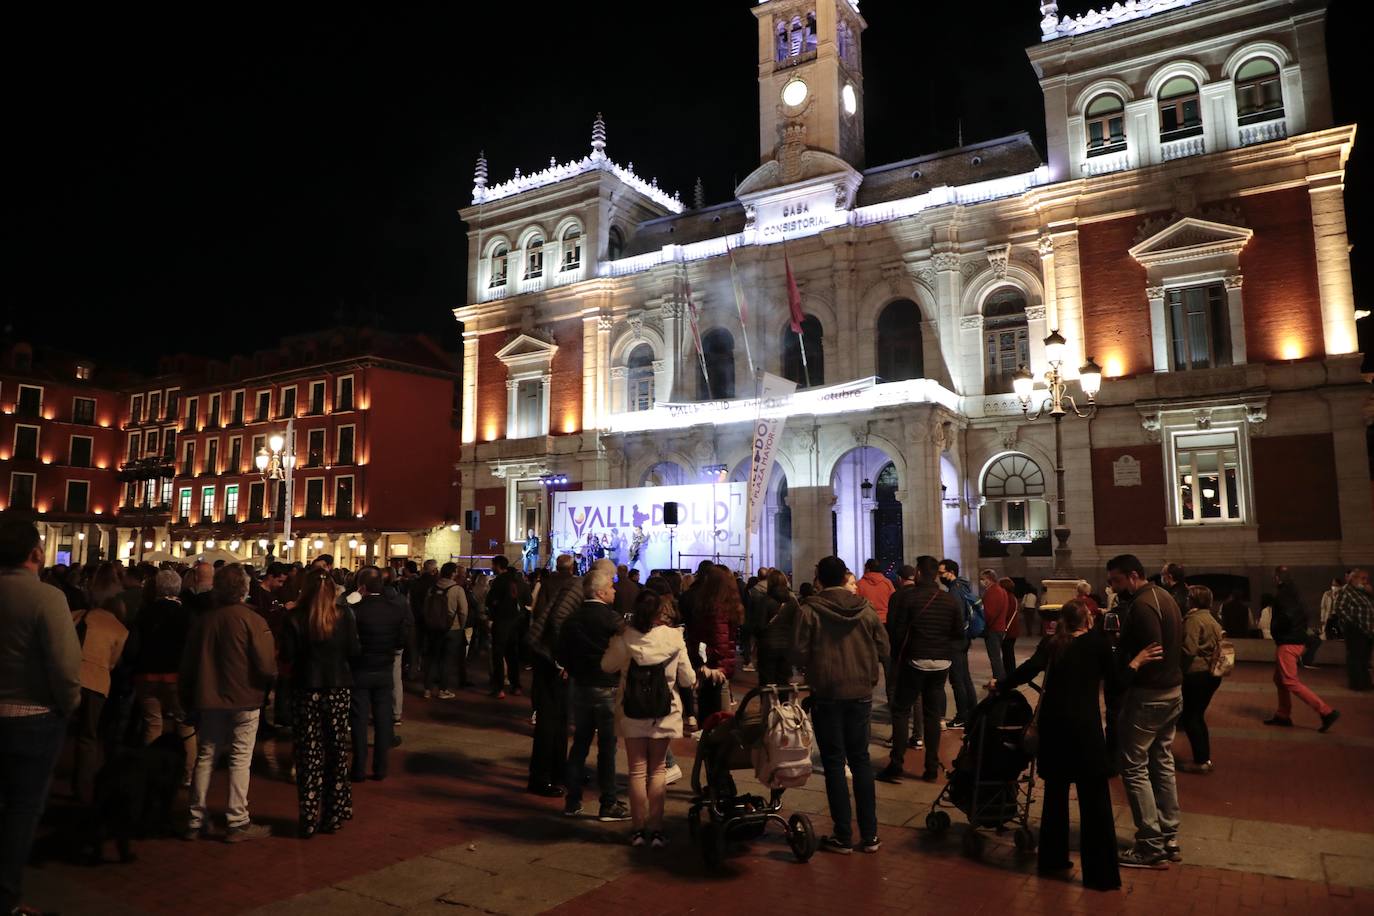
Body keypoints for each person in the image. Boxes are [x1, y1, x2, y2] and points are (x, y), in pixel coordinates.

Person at [990, 598, 1152, 891]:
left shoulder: (1053, 643)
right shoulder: (1098, 644)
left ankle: (1052, 860)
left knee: (1055, 797)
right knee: (1095, 804)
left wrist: (1000, 685)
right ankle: (1100, 875)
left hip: (1053, 729)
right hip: (1084, 731)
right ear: (1088, 619)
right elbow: (1116, 685)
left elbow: (1027, 670)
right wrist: (1136, 662)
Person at [0, 520, 83, 916]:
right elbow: (66, 667)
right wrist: (70, 703)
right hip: (33, 717)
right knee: (21, 811)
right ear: (36, 554)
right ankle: (6, 898)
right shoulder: (47, 598)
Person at [791, 556, 889, 855]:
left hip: (828, 692)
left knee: (834, 762)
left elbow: (798, 651)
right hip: (860, 691)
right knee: (860, 760)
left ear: (819, 578)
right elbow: (884, 646)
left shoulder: (810, 610)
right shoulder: (865, 609)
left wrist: (814, 667)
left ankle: (843, 834)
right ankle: (870, 834)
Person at [180, 564, 277, 842]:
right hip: (245, 698)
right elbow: (267, 664)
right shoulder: (252, 621)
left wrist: (187, 699)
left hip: (209, 698)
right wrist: (267, 686)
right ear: (244, 590)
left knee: (206, 756)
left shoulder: (204, 621)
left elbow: (188, 665)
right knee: (240, 758)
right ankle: (237, 819)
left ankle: (195, 817)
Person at [600, 590, 696, 847]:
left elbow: (606, 665)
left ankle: (638, 829)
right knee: (658, 771)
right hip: (664, 712)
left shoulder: (626, 638)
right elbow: (688, 679)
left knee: (637, 771)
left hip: (633, 711)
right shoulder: (674, 638)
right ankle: (656, 828)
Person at [1105, 553, 1183, 869]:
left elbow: (1152, 650)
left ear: (1133, 576)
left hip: (1149, 694)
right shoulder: (1165, 596)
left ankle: (1150, 843)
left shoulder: (1141, 605)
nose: (1113, 587)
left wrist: (1127, 661)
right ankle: (1170, 836)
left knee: (1134, 765)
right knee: (1161, 761)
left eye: (1116, 580)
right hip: (1173, 692)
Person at [280, 568, 359, 837]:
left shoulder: (295, 618)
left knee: (309, 754)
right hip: (337, 688)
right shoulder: (344, 615)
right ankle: (334, 814)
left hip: (306, 689)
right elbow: (354, 651)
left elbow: (288, 656)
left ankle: (309, 816)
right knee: (336, 752)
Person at [879, 556, 962, 784]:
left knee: (901, 709)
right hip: (941, 663)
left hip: (915, 661)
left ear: (917, 573)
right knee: (932, 715)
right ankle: (931, 768)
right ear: (936, 574)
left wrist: (899, 657)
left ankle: (896, 763)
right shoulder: (949, 600)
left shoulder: (908, 597)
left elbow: (897, 631)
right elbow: (958, 633)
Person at [557, 566, 630, 821]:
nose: (614, 590)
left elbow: (562, 651)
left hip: (581, 686)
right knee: (607, 747)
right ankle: (608, 802)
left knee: (579, 744)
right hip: (607, 686)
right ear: (600, 592)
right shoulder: (612, 620)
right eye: (611, 587)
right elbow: (626, 648)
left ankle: (572, 800)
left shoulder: (573, 619)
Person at [525, 554, 583, 796]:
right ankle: (542, 777)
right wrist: (563, 659)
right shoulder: (574, 587)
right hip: (551, 658)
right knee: (551, 720)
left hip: (546, 655)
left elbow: (537, 610)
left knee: (558, 719)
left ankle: (557, 772)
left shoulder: (548, 583)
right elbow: (557, 620)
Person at [132, 569, 196, 786]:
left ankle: (149, 770)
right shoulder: (186, 614)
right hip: (176, 675)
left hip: (147, 673)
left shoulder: (145, 612)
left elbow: (135, 644)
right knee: (185, 725)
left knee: (152, 724)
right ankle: (187, 773)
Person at [69, 592, 129, 804]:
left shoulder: (79, 614)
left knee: (59, 730)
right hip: (97, 683)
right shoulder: (120, 630)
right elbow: (113, 663)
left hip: (69, 676)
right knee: (88, 736)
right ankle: (83, 790)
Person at [350, 566, 408, 781]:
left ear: (362, 587)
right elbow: (402, 637)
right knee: (384, 719)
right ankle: (380, 767)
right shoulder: (394, 608)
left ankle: (358, 767)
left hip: (361, 666)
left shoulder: (356, 609)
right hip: (384, 665)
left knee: (359, 717)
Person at [1265, 566, 1339, 732]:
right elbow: (1302, 616)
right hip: (1294, 640)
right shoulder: (1294, 593)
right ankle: (1283, 715)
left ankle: (1326, 712)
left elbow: (1285, 618)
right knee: (1279, 679)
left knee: (1290, 681)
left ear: (1277, 578)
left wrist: (1276, 629)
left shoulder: (1283, 595)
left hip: (1288, 642)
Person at [1178, 585, 1225, 774]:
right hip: (1211, 674)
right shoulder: (1211, 618)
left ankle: (1201, 760)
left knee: (1191, 718)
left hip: (1196, 673)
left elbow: (1188, 649)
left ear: (1192, 600)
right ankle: (1204, 758)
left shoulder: (1194, 620)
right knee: (1197, 716)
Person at [688, 565, 741, 721]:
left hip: (716, 669)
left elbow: (720, 643)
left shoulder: (716, 608)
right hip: (720, 667)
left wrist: (703, 660)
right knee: (716, 715)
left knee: (716, 718)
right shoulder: (727, 605)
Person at [937, 559, 978, 729]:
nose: (939, 576)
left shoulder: (954, 591)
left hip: (956, 641)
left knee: (957, 680)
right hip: (963, 639)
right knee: (965, 678)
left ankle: (962, 716)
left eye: (941, 573)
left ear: (951, 572)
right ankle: (972, 712)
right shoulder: (963, 587)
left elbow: (956, 618)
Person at [486, 555, 530, 698]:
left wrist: (495, 606)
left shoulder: (499, 581)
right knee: (512, 654)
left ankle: (499, 688)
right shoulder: (518, 581)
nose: (491, 567)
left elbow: (490, 600)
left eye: (493, 565)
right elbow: (527, 599)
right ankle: (515, 685)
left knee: (498, 655)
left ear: (498, 565)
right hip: (516, 621)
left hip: (502, 620)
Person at [422, 563, 468, 699]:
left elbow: (425, 608)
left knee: (432, 657)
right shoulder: (457, 589)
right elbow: (463, 611)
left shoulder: (432, 588)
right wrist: (461, 626)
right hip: (451, 628)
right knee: (446, 659)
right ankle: (443, 689)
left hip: (433, 628)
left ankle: (427, 689)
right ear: (453, 573)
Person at [1333, 569, 1371, 690]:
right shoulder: (1346, 591)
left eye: (1366, 579)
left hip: (1367, 630)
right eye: (1363, 578)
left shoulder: (1362, 592)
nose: (1366, 581)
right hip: (1356, 630)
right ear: (1353, 579)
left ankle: (1365, 683)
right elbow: (1339, 608)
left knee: (1365, 658)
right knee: (1356, 657)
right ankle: (1356, 684)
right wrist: (1353, 623)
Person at [979, 569, 1015, 681]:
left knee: (995, 658)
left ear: (988, 579)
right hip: (998, 628)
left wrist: (982, 626)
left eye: (982, 579)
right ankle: (999, 680)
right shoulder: (1000, 590)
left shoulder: (993, 591)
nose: (981, 581)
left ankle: (999, 682)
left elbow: (989, 613)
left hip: (993, 629)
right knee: (996, 657)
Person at [855, 559, 894, 625]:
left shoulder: (859, 584)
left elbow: (855, 603)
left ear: (867, 569)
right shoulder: (887, 583)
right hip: (885, 620)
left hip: (866, 620)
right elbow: (893, 600)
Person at [997, 576, 1022, 675]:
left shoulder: (1007, 597)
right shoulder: (1013, 597)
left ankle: (1009, 674)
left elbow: (1005, 614)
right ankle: (1010, 673)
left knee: (1008, 654)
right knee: (1009, 653)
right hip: (1012, 630)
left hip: (1008, 630)